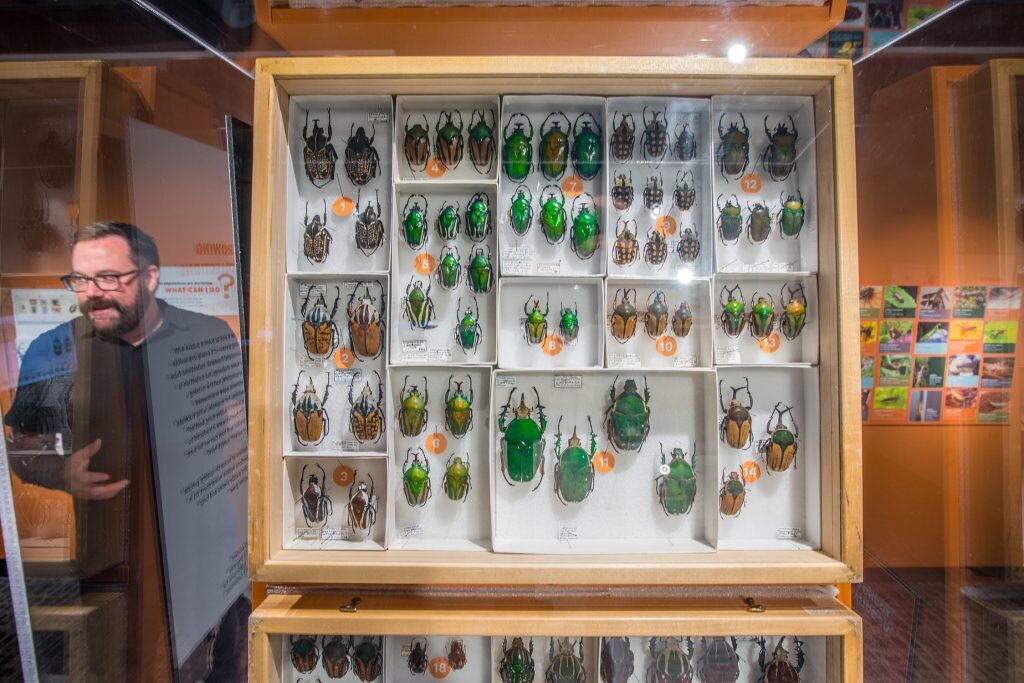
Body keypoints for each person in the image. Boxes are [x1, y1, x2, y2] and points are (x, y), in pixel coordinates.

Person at [4, 221, 248, 682]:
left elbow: (241, 421)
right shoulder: (53, 349)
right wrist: (59, 472)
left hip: (208, 551)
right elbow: (21, 442)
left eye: (109, 278)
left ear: (150, 277)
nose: (93, 292)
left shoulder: (208, 335)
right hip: (112, 557)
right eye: (80, 279)